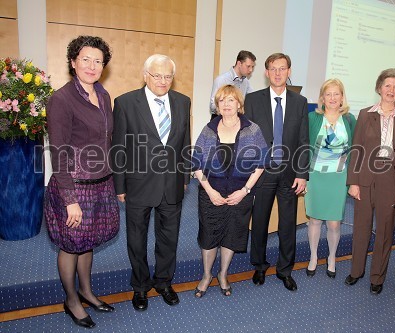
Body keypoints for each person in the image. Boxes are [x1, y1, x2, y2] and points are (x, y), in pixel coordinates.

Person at [44, 35, 118, 329]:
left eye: (98, 61)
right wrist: (70, 199)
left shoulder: (103, 95)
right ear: (73, 62)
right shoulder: (61, 99)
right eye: (85, 59)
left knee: (88, 242)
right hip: (73, 186)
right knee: (71, 245)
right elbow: (59, 152)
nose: (92, 65)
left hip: (101, 183)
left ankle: (87, 292)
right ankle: (72, 300)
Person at [111, 54, 191, 311]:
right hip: (138, 184)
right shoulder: (125, 103)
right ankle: (140, 286)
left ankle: (164, 282)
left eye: (168, 76)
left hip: (172, 183)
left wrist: (185, 176)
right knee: (137, 239)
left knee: (169, 238)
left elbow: (184, 143)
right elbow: (119, 147)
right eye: (157, 75)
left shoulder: (182, 102)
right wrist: (120, 186)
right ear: (145, 75)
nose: (163, 81)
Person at [345, 68, 395, 295]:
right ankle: (356, 271)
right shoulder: (366, 114)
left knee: (385, 231)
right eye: (387, 85)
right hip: (365, 178)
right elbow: (356, 149)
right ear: (379, 87)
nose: (391, 90)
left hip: (392, 181)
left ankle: (377, 277)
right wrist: (353, 182)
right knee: (361, 229)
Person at [192, 84, 268, 297]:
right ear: (217, 105)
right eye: (222, 100)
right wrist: (210, 191)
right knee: (209, 235)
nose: (226, 104)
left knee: (232, 234)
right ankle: (207, 275)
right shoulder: (209, 129)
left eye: (230, 100)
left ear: (239, 104)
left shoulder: (252, 129)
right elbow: (196, 163)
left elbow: (261, 163)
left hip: (240, 194)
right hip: (211, 193)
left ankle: (223, 274)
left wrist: (244, 190)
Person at [244, 53, 309, 291]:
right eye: (273, 68)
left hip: (290, 173)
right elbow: (247, 139)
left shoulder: (300, 102)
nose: (278, 73)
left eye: (282, 68)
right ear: (266, 72)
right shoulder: (252, 100)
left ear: (289, 71)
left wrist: (302, 174)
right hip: (262, 172)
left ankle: (285, 269)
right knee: (259, 220)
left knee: (288, 223)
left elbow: (304, 140)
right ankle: (259, 266)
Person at [304, 79, 356, 279]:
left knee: (334, 223)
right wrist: (304, 177)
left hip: (338, 176)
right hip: (316, 175)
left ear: (342, 97)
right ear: (322, 98)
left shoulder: (350, 119)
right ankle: (314, 257)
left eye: (337, 94)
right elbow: (303, 147)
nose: (333, 98)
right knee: (315, 220)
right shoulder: (312, 118)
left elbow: (355, 151)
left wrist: (352, 180)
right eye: (329, 94)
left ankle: (332, 258)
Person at [209, 50, 256, 118]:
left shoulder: (246, 82)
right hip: (220, 120)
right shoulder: (222, 80)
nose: (251, 70)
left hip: (236, 121)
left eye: (252, 67)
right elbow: (213, 106)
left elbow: (253, 101)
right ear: (239, 63)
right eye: (248, 66)